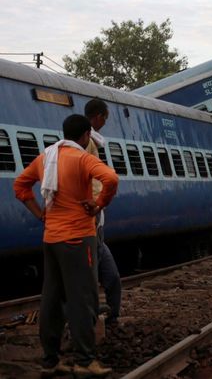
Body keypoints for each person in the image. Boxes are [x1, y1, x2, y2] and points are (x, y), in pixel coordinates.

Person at [13, 114, 119, 377]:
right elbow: (111, 179)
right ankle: (84, 361)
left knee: (52, 299)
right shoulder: (82, 158)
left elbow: (20, 186)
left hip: (51, 239)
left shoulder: (45, 158)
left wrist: (40, 214)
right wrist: (99, 204)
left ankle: (50, 361)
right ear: (86, 136)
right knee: (82, 299)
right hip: (78, 238)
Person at [84, 98, 122, 324]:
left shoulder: (91, 142)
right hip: (91, 219)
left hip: (97, 220)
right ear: (97, 117)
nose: (105, 123)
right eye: (105, 118)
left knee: (110, 275)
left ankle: (111, 316)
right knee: (94, 274)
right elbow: (106, 179)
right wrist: (98, 204)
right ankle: (92, 319)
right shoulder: (86, 142)